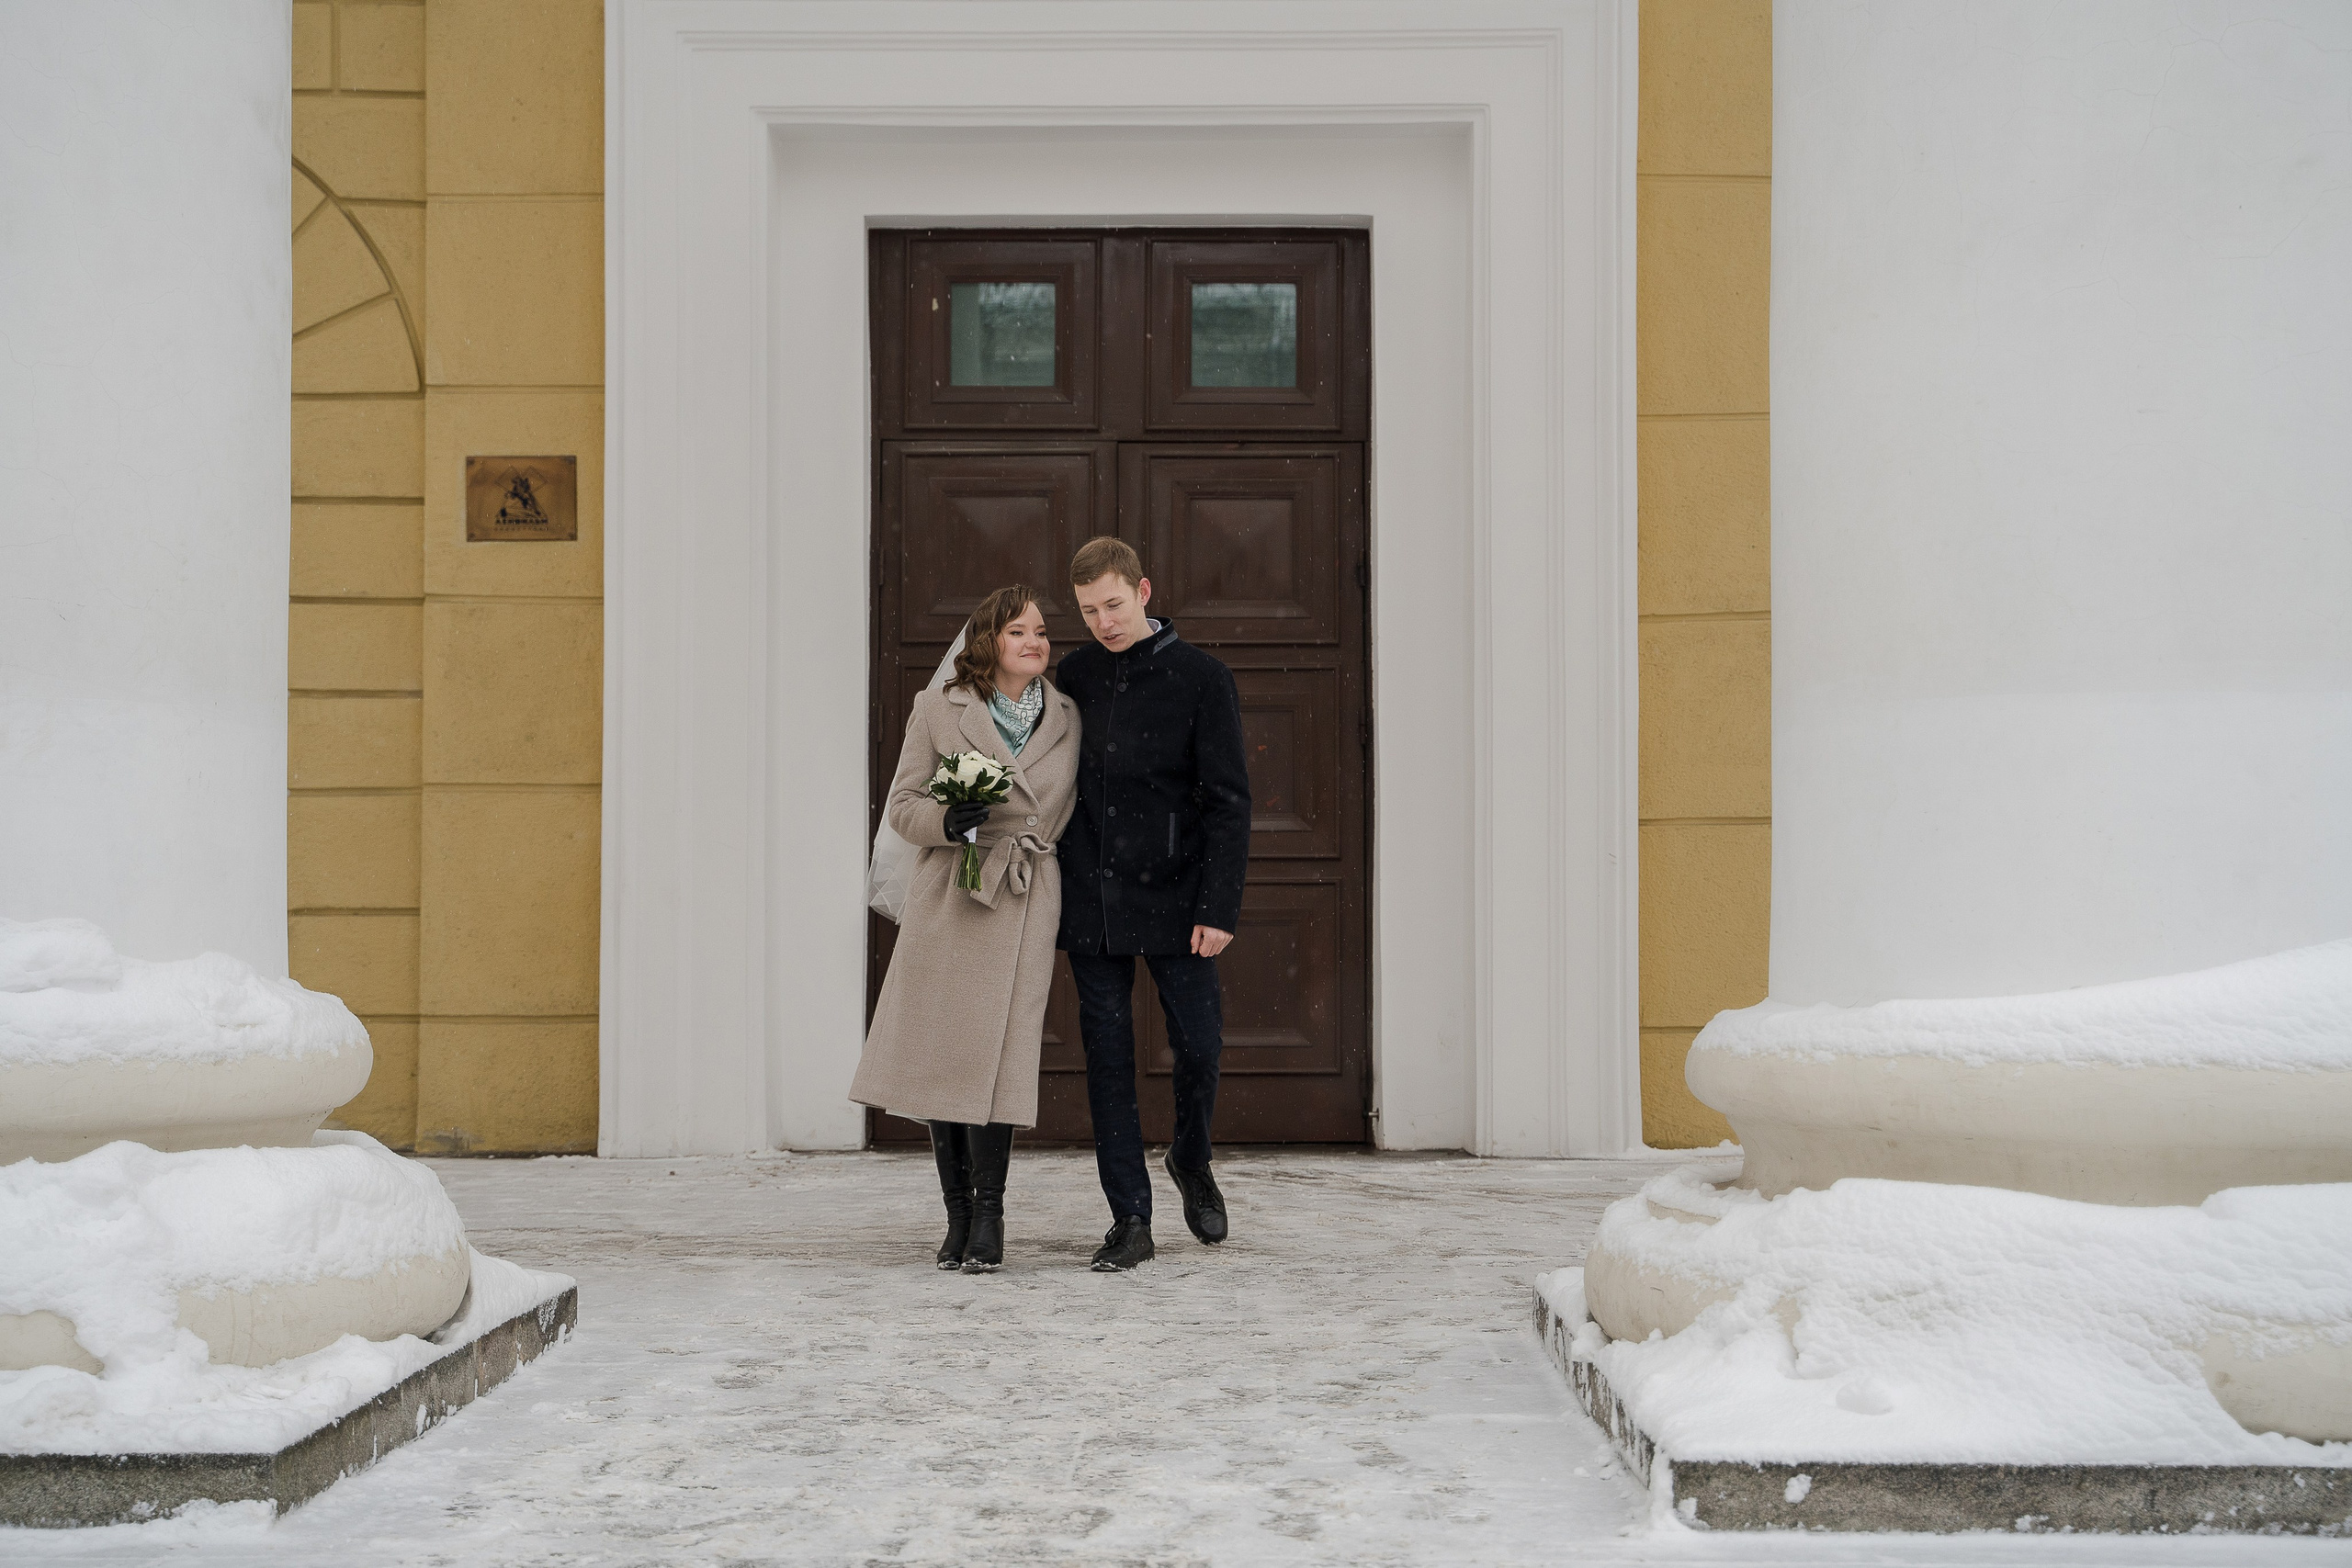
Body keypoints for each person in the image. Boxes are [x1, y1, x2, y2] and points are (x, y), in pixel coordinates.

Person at [851, 586, 1080, 1272]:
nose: (1035, 641)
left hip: (1025, 891)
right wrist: (950, 822)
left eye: (1040, 630)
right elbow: (902, 803)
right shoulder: (939, 707)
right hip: (953, 891)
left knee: (1000, 1057)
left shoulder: (1069, 715)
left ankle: (990, 1219)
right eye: (1019, 631)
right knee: (943, 1056)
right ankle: (957, 1216)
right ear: (988, 642)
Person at [1054, 537, 1252, 1271]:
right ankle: (1130, 1216)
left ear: (1142, 590)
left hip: (1179, 895)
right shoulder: (1072, 675)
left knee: (1199, 1043)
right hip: (1092, 897)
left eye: (1112, 604)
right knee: (1107, 1057)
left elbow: (1229, 802)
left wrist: (1219, 905)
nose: (1102, 621)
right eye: (1087, 610)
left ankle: (1190, 1159)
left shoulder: (1202, 678)